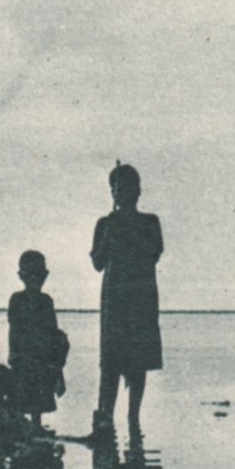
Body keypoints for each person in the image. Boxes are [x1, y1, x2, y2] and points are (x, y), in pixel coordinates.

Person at [89, 162, 163, 437]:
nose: (122, 195)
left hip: (141, 298)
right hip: (114, 300)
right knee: (110, 362)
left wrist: (129, 229)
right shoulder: (105, 223)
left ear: (138, 191)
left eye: (128, 189)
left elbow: (154, 252)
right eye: (116, 190)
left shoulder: (150, 222)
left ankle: (134, 420)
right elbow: (97, 263)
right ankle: (105, 417)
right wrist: (111, 232)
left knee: (138, 364)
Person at [6, 250, 69, 429]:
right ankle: (21, 430)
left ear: (45, 275)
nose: (34, 278)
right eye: (29, 274)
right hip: (23, 361)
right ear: (21, 276)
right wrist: (14, 356)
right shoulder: (17, 300)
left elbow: (54, 336)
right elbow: (15, 330)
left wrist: (58, 372)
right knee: (20, 403)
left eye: (39, 274)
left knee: (37, 408)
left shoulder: (47, 301)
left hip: (43, 362)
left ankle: (36, 428)